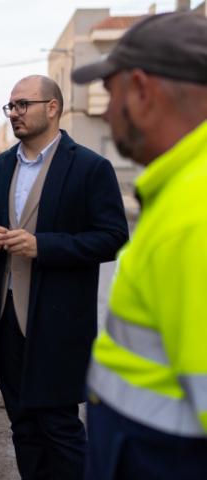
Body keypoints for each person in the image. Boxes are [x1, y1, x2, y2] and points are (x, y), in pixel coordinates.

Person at [0, 75, 128, 479]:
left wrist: (44, 246)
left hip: (58, 324)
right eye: (11, 107)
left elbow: (112, 238)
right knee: (23, 427)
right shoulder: (1, 166)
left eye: (23, 105)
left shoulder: (91, 167)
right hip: (5, 323)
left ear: (52, 108)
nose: (14, 114)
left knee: (60, 429)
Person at [72, 11, 207, 479]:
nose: (108, 111)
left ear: (143, 91)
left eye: (112, 94)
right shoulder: (182, 190)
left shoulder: (195, 214)